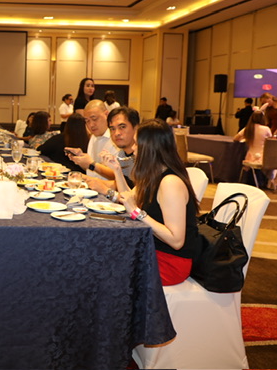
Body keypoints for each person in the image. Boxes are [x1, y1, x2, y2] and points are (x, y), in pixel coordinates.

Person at [103, 119, 199, 286]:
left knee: (107, 268)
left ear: (149, 148)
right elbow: (128, 198)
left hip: (170, 262)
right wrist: (117, 170)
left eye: (137, 144)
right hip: (152, 250)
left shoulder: (170, 183)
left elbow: (176, 241)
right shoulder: (153, 175)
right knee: (103, 254)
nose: (133, 148)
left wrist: (137, 213)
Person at [83, 106, 139, 195]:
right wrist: (86, 180)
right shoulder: (122, 154)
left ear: (136, 128)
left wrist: (107, 191)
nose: (116, 133)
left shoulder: (145, 157)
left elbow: (136, 197)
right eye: (112, 129)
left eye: (122, 127)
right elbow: (122, 184)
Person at [65, 100, 119, 181]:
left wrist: (91, 163)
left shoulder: (117, 138)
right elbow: (92, 169)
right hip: (91, 185)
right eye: (87, 121)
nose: (91, 125)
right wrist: (81, 159)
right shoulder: (93, 137)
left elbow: (118, 176)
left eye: (94, 119)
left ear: (107, 114)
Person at [234, 110, 272, 187]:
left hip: (250, 157)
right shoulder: (266, 129)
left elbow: (235, 138)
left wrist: (245, 138)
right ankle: (264, 182)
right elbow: (271, 141)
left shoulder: (248, 128)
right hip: (263, 157)